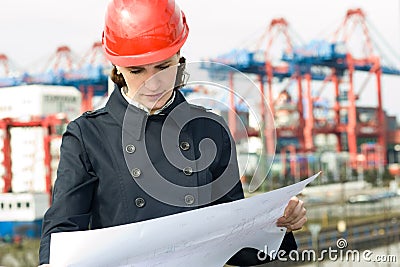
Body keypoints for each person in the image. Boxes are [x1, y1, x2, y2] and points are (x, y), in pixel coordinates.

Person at [38, 0, 307, 266]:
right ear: (117, 66)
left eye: (163, 67)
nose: (152, 82)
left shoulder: (209, 129)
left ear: (179, 57)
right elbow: (62, 234)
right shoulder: (87, 137)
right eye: (136, 70)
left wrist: (278, 225)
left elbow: (234, 240)